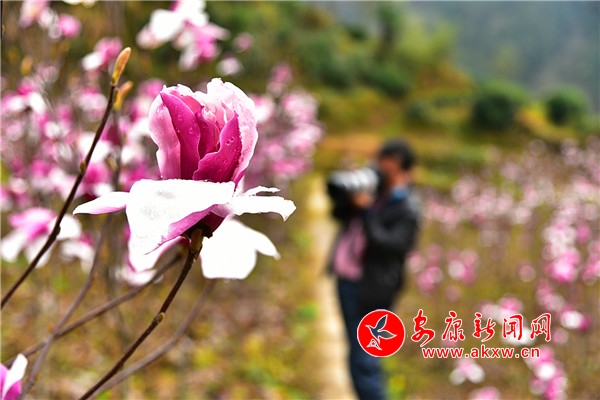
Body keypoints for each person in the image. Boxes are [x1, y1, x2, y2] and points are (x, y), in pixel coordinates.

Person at [328, 139, 421, 400]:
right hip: (347, 281)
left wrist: (367, 211)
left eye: (386, 170)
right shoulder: (374, 192)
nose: (380, 174)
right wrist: (350, 199)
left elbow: (392, 246)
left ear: (404, 171)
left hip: (374, 290)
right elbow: (337, 215)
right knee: (355, 352)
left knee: (365, 357)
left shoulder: (407, 207)